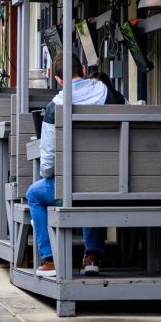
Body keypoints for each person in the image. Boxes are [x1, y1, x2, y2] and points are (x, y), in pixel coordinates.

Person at [26, 53, 107, 277]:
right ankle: (92, 256)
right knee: (95, 183)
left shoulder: (54, 108)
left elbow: (49, 165)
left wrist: (47, 173)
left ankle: (50, 260)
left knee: (34, 193)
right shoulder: (112, 96)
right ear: (82, 68)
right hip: (111, 184)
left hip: (72, 186)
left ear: (58, 79)